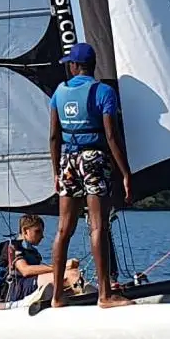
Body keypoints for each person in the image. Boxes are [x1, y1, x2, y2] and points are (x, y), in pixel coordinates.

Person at [47, 42, 134, 310]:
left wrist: (56, 172)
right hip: (94, 159)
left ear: (74, 66)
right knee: (98, 226)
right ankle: (105, 296)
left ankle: (57, 296)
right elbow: (111, 135)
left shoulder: (59, 93)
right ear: (92, 66)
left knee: (64, 229)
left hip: (67, 162)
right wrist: (126, 173)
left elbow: (53, 136)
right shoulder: (103, 91)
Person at [0, 213, 53, 304]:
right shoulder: (11, 247)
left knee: (67, 274)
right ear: (25, 231)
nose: (42, 236)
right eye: (38, 231)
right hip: (12, 290)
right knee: (59, 276)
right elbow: (25, 270)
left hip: (27, 286)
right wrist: (58, 267)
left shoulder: (34, 253)